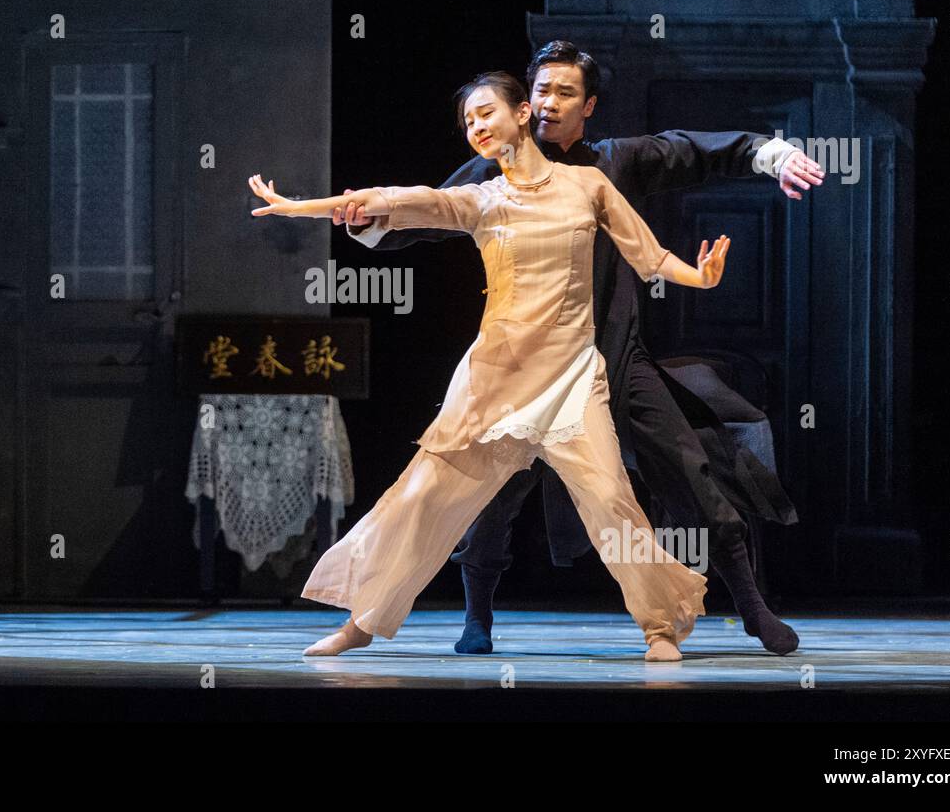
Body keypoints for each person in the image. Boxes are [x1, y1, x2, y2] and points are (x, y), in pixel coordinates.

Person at [334, 42, 821, 656]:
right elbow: (426, 210)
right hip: (527, 370)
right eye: (540, 91)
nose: (548, 103)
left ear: (588, 105)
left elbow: (691, 152)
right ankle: (476, 618)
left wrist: (769, 154)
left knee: (692, 469)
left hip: (616, 359)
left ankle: (750, 607)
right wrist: (365, 217)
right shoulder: (494, 170)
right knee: (487, 493)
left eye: (565, 93)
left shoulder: (610, 165)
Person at [248, 71, 734, 662]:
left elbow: (648, 255)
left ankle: (660, 625)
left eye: (485, 113)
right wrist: (301, 207)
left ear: (523, 113)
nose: (476, 127)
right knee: (424, 495)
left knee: (610, 500)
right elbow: (398, 200)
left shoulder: (588, 186)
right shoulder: (482, 199)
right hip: (493, 379)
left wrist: (699, 276)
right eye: (468, 122)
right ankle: (364, 620)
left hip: (572, 378)